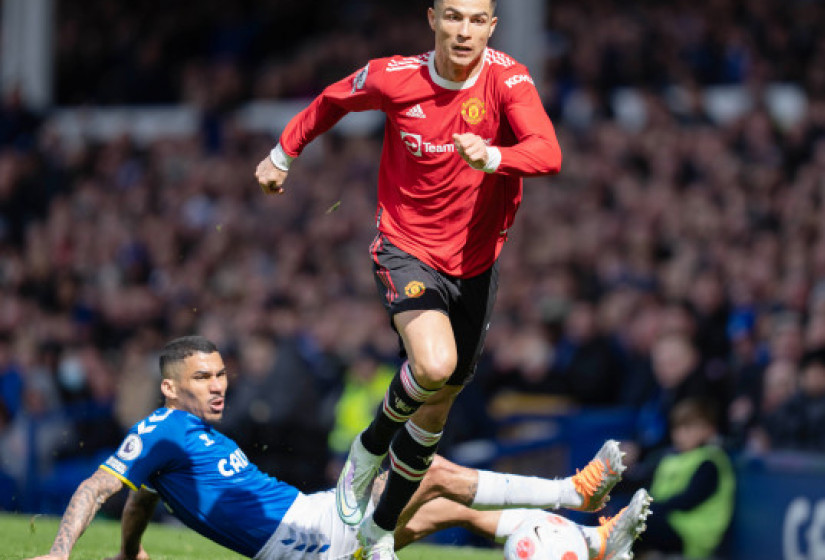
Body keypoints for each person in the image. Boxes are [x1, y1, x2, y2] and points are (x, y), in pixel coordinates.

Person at [253, 0, 563, 557]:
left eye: (476, 20)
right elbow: (332, 100)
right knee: (434, 364)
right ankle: (366, 452)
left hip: (476, 264)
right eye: (453, 17)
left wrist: (493, 156)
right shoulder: (398, 77)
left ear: (491, 26)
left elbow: (548, 151)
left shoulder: (508, 77)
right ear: (433, 19)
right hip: (406, 247)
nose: (464, 31)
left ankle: (376, 536)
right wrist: (283, 153)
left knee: (437, 406)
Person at [24, 336, 649, 560]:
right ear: (169, 388)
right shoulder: (160, 429)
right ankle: (571, 491)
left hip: (314, 531)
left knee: (445, 507)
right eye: (202, 379)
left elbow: (138, 497)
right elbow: (99, 485)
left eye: (220, 375)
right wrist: (59, 552)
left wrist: (131, 553)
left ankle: (594, 541)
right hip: (307, 536)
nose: (218, 387)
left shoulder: (188, 441)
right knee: (422, 471)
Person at [634, 398, 734, 559]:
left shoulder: (711, 462)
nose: (681, 434)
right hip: (668, 523)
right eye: (677, 428)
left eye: (688, 428)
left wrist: (653, 508)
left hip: (692, 536)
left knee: (634, 524)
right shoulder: (670, 458)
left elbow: (689, 500)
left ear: (708, 429)